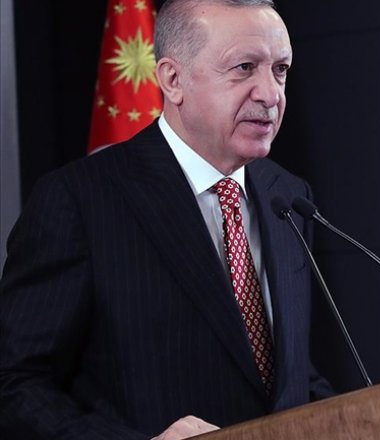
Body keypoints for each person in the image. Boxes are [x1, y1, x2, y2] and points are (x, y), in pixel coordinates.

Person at [0, 0, 334, 438]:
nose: (270, 94)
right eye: (245, 68)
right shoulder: (80, 200)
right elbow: (15, 384)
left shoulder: (288, 195)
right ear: (173, 80)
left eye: (280, 70)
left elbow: (285, 377)